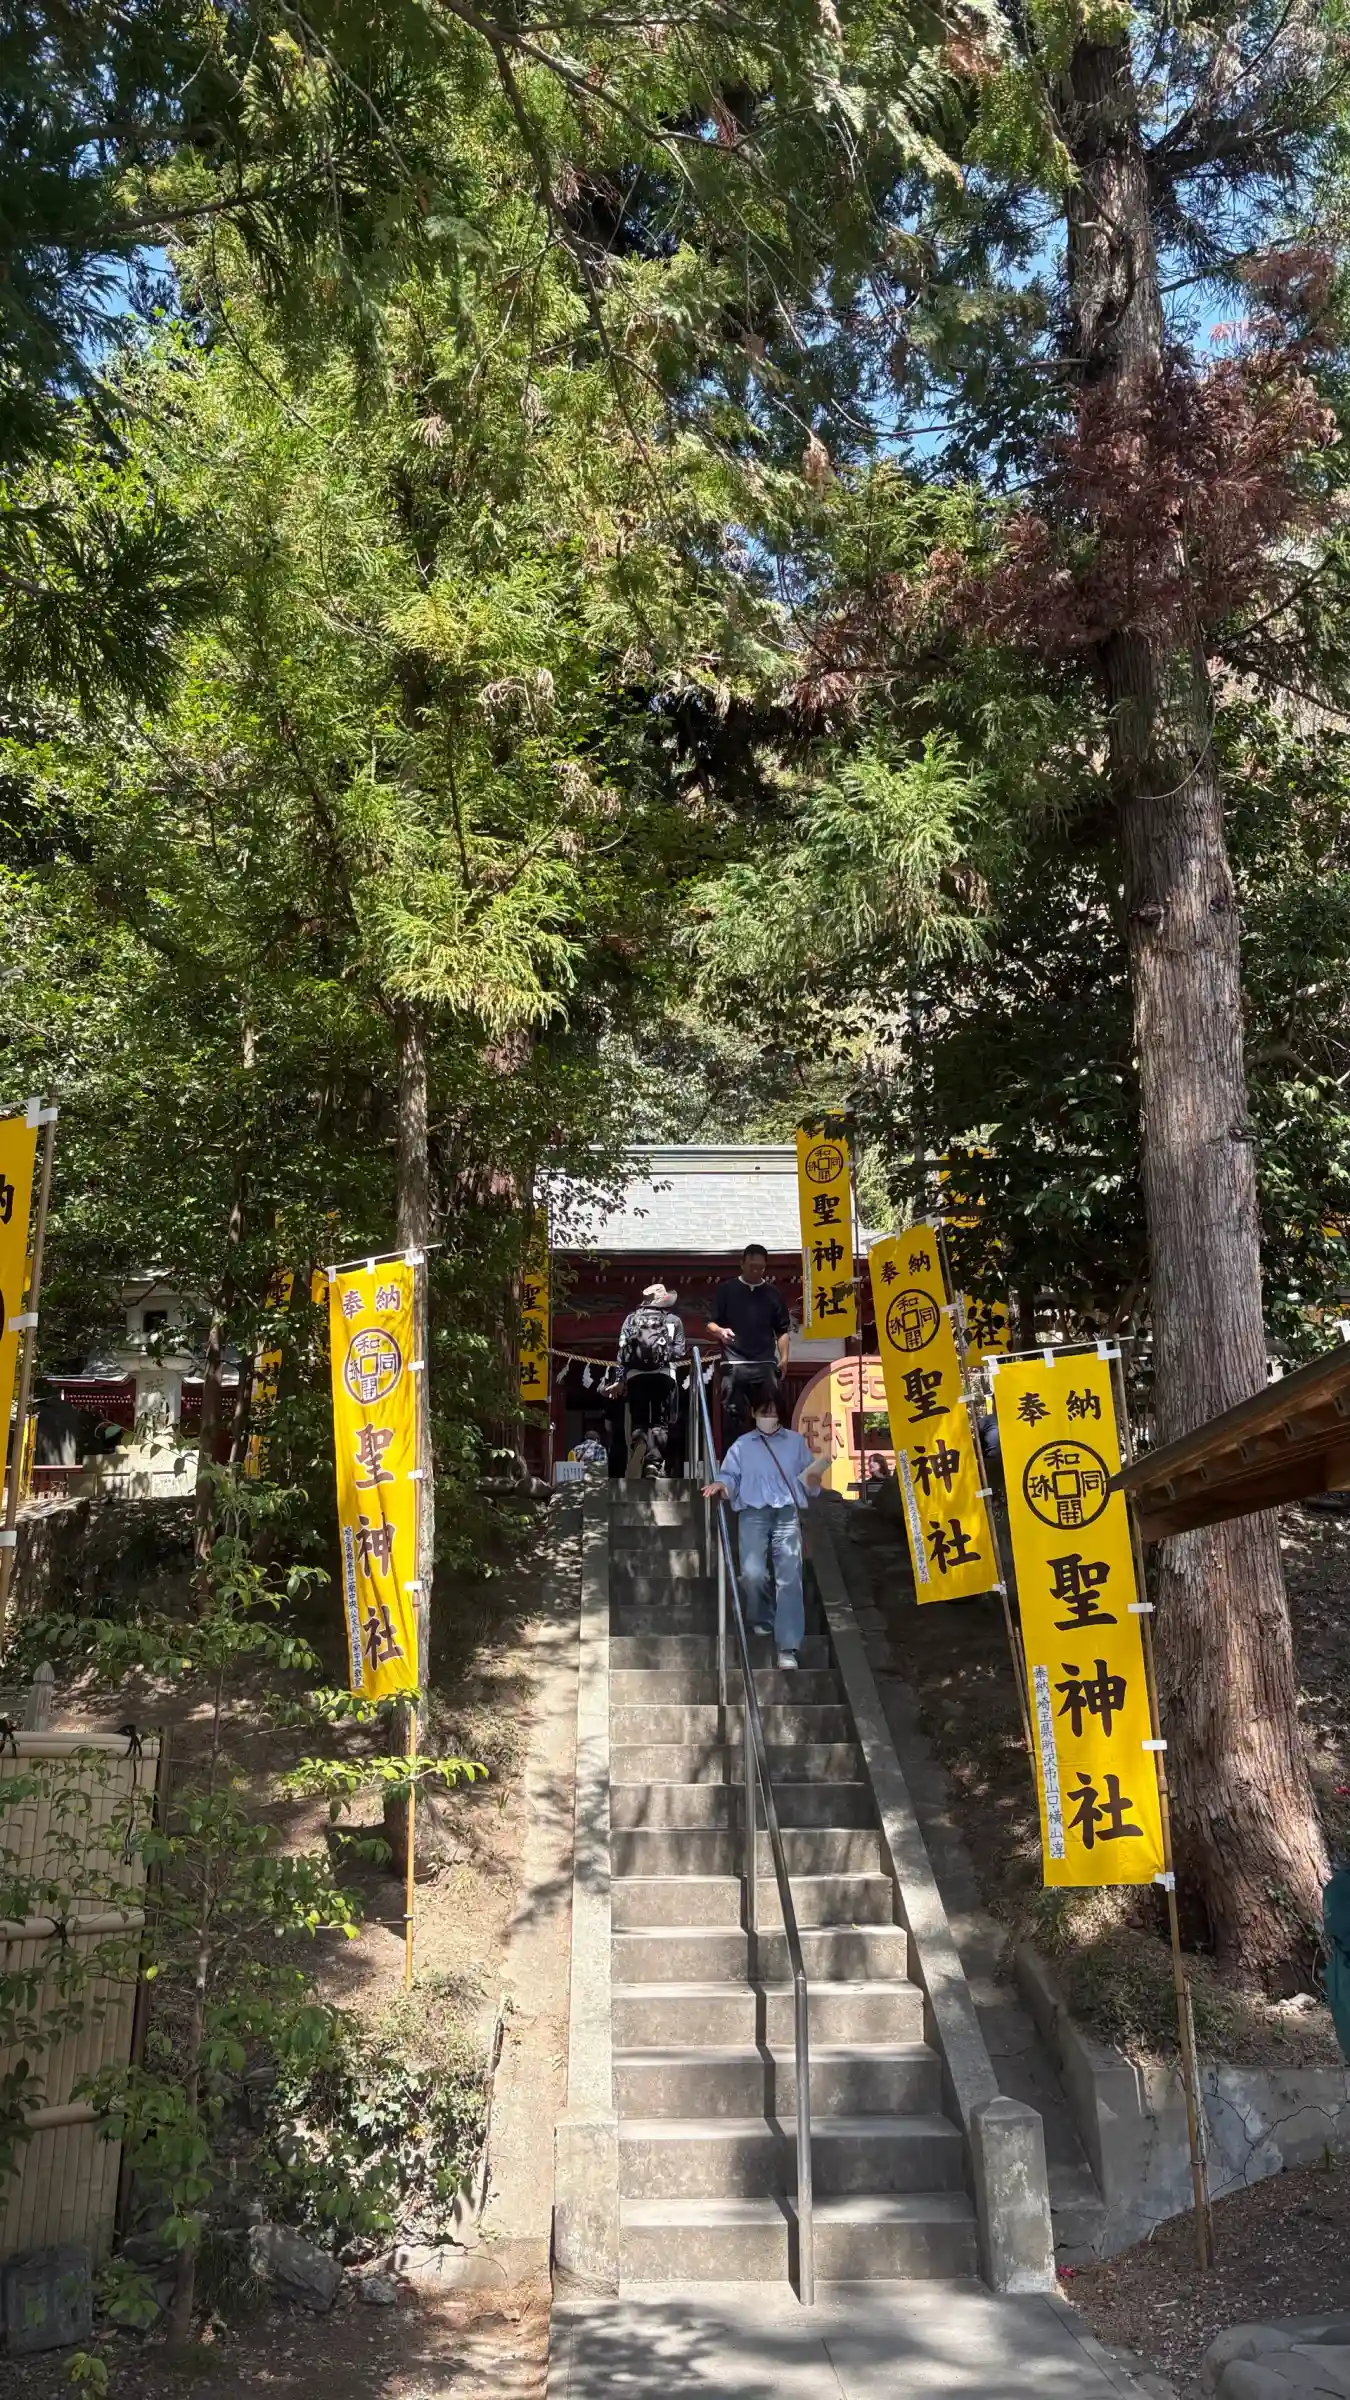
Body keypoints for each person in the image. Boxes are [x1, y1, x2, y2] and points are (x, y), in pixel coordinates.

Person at [701, 1385, 825, 1667]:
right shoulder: (742, 1446)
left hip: (787, 1514)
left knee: (790, 1578)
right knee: (752, 1574)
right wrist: (721, 1484)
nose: (768, 1416)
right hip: (752, 1513)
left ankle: (788, 1647)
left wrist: (815, 1478)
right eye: (762, 1411)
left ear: (780, 1412)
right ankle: (762, 1619)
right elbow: (729, 1475)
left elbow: (810, 1479)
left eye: (772, 1411)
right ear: (753, 1412)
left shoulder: (795, 1442)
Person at [706, 1243, 791, 1443]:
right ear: (742, 1264)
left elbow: (782, 1331)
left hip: (765, 1363)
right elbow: (710, 1324)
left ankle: (769, 1456)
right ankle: (733, 1459)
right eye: (752, 1266)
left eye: (761, 1268)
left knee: (770, 1414)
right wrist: (720, 1331)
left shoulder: (772, 1294)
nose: (756, 1271)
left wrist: (784, 1359)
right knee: (733, 1417)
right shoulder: (726, 1290)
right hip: (734, 1363)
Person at [605, 1283, 687, 1478]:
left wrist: (619, 1380)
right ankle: (653, 1462)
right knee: (660, 1421)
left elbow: (622, 1353)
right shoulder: (673, 1320)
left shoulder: (631, 1319)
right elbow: (680, 1351)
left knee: (639, 1420)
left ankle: (640, 1443)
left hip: (636, 1376)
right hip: (663, 1376)